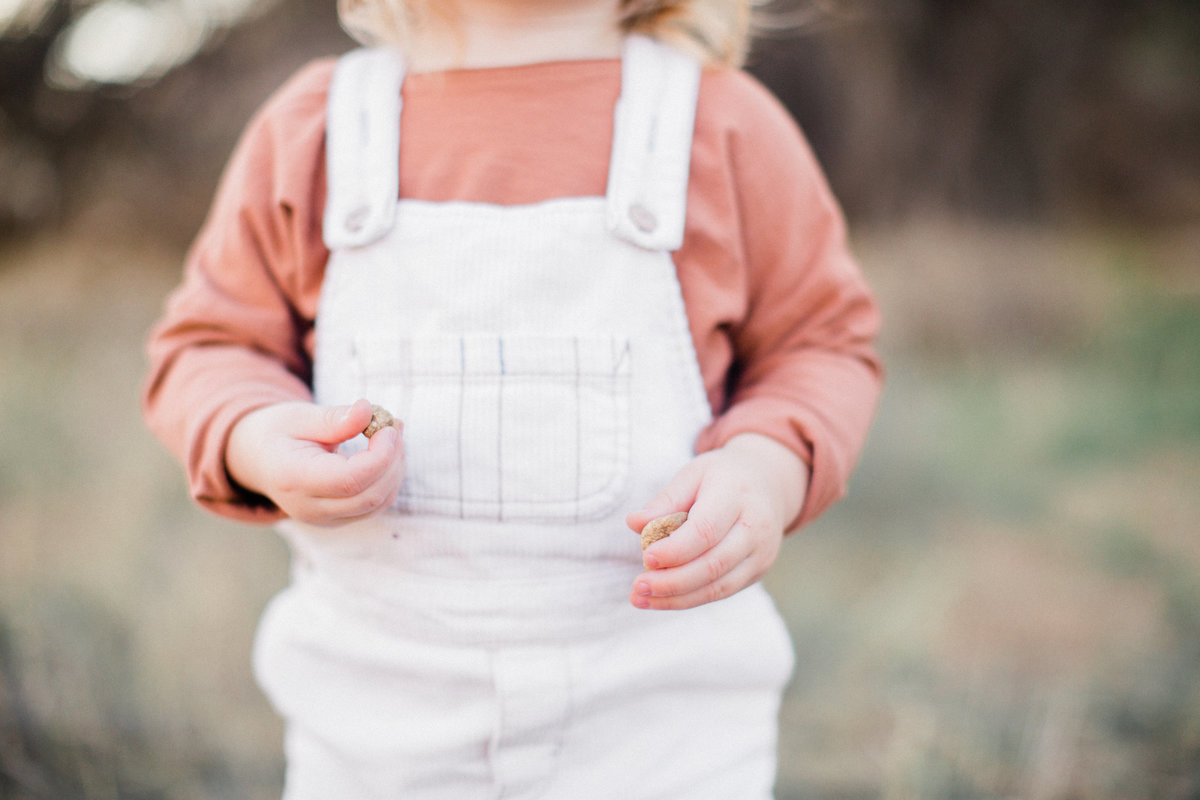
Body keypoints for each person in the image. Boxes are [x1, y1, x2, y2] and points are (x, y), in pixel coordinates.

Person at [142, 0, 883, 797]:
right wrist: (253, 433)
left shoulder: (724, 126)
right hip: (374, 739)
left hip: (663, 738)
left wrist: (766, 465)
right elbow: (211, 347)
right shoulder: (313, 131)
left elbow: (820, 344)